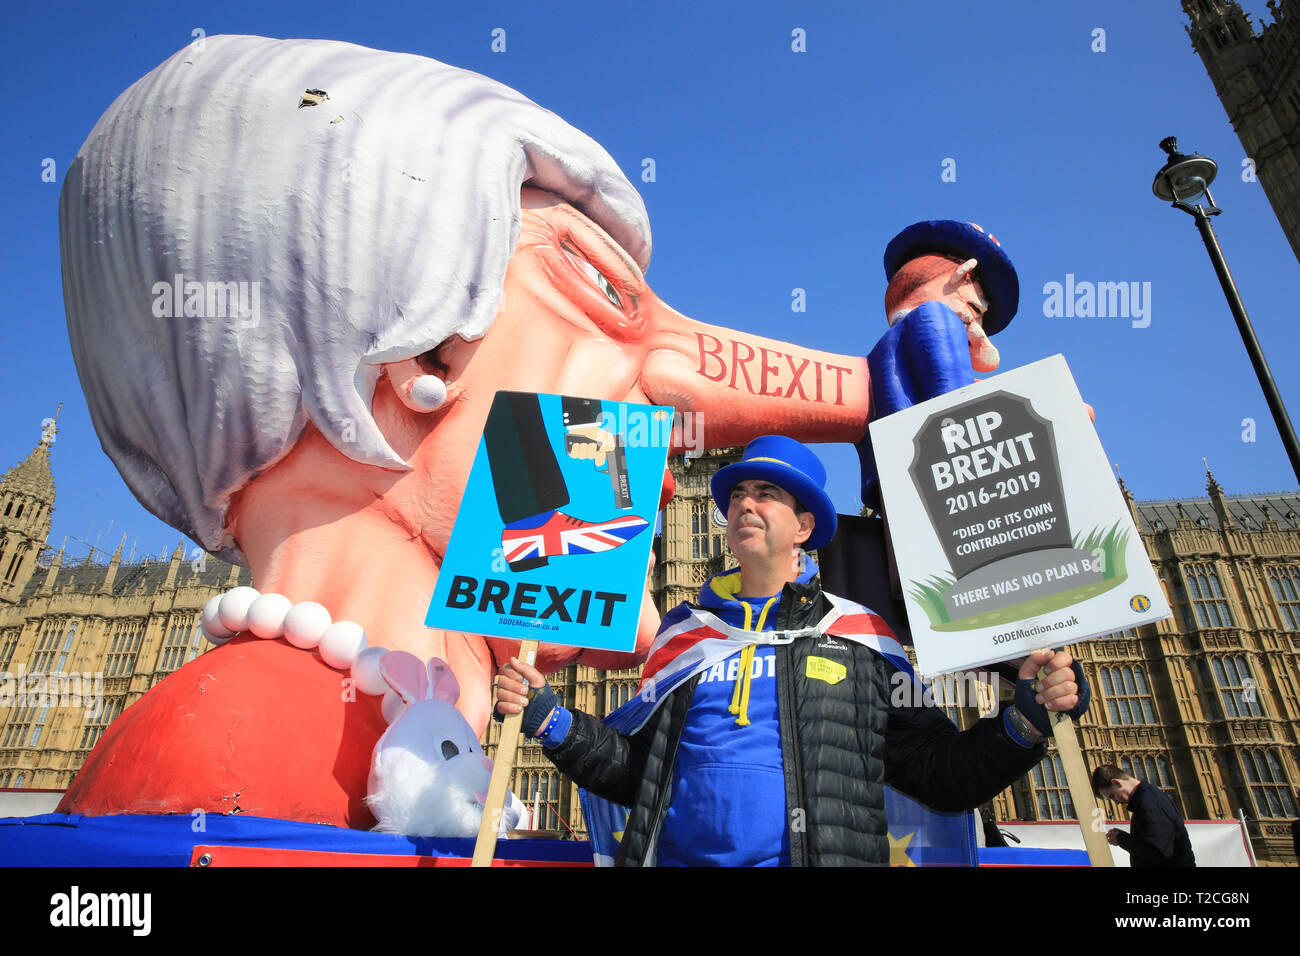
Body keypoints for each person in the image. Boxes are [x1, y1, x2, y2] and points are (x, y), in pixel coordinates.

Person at [56, 36, 992, 829]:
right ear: (421, 359)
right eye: (599, 296)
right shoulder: (239, 741)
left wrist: (888, 393)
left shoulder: (416, 727)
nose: (686, 414)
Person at [497, 435, 1089, 866]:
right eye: (737, 495)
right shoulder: (681, 634)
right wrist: (552, 719)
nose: (745, 504)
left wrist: (1026, 720)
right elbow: (635, 773)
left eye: (767, 493)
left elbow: (942, 776)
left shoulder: (861, 633)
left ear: (805, 526)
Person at [1092, 763, 1196, 867]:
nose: (1116, 802)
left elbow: (1157, 850)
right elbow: (1152, 841)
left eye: (1112, 796)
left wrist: (1122, 839)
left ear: (1117, 783)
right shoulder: (1146, 800)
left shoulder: (1150, 803)